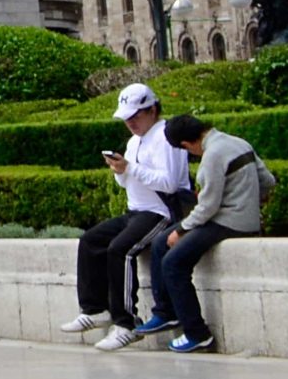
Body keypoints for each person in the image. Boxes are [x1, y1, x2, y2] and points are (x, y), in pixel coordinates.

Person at [60, 82, 194, 351]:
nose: (131, 122)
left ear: (152, 110)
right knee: (90, 240)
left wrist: (130, 168)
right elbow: (127, 183)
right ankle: (95, 309)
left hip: (160, 213)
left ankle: (126, 323)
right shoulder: (134, 141)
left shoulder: (166, 137)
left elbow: (168, 183)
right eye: (127, 118)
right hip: (136, 211)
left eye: (136, 116)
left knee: (120, 250)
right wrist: (121, 170)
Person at [153, 113, 277, 354]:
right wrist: (246, 198)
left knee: (173, 262)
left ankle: (196, 333)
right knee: (160, 243)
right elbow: (268, 181)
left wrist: (181, 229)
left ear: (188, 145)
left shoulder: (213, 155)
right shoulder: (238, 142)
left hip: (227, 222)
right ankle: (166, 313)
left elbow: (207, 207)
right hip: (242, 219)